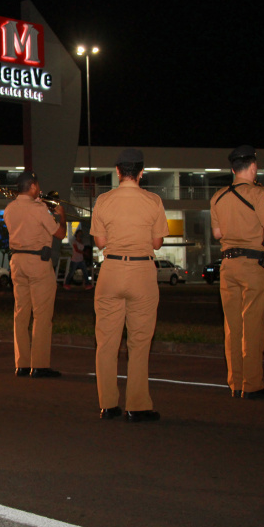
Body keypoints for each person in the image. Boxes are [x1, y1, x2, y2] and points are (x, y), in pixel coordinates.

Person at [91, 149, 170, 423]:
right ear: (141, 172)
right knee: (138, 342)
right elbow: (158, 243)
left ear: (117, 171)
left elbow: (100, 243)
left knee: (107, 342)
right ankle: (137, 405)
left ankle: (108, 404)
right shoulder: (153, 200)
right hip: (141, 272)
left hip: (111, 270)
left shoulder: (103, 200)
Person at [210, 145, 264, 400]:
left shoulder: (217, 197)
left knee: (232, 327)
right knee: (253, 326)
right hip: (253, 266)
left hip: (228, 266)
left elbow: (218, 234)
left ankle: (235, 383)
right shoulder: (257, 193)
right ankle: (252, 385)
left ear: (232, 169)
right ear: (253, 167)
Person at [3, 171, 66, 378]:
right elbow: (60, 233)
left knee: (21, 314)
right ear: (32, 187)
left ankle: (21, 364)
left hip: (17, 263)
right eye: (37, 186)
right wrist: (60, 214)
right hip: (37, 262)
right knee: (42, 314)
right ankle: (39, 364)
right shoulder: (39, 209)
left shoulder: (9, 209)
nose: (39, 189)